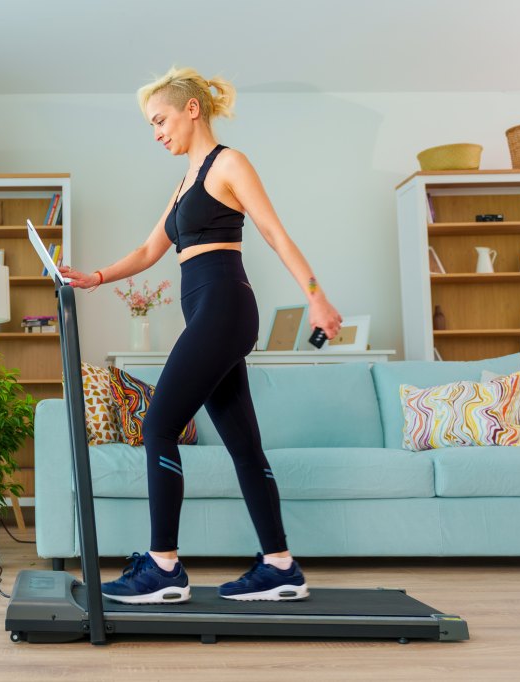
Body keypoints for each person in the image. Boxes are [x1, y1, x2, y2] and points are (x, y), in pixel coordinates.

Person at [58, 66, 343, 605]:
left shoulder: (228, 163)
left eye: (160, 119)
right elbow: (147, 252)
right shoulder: (185, 182)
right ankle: (280, 565)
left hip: (225, 307)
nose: (157, 132)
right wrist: (93, 277)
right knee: (244, 445)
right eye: (151, 125)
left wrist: (315, 296)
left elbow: (274, 232)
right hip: (211, 314)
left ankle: (163, 566)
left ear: (192, 109)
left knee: (159, 424)